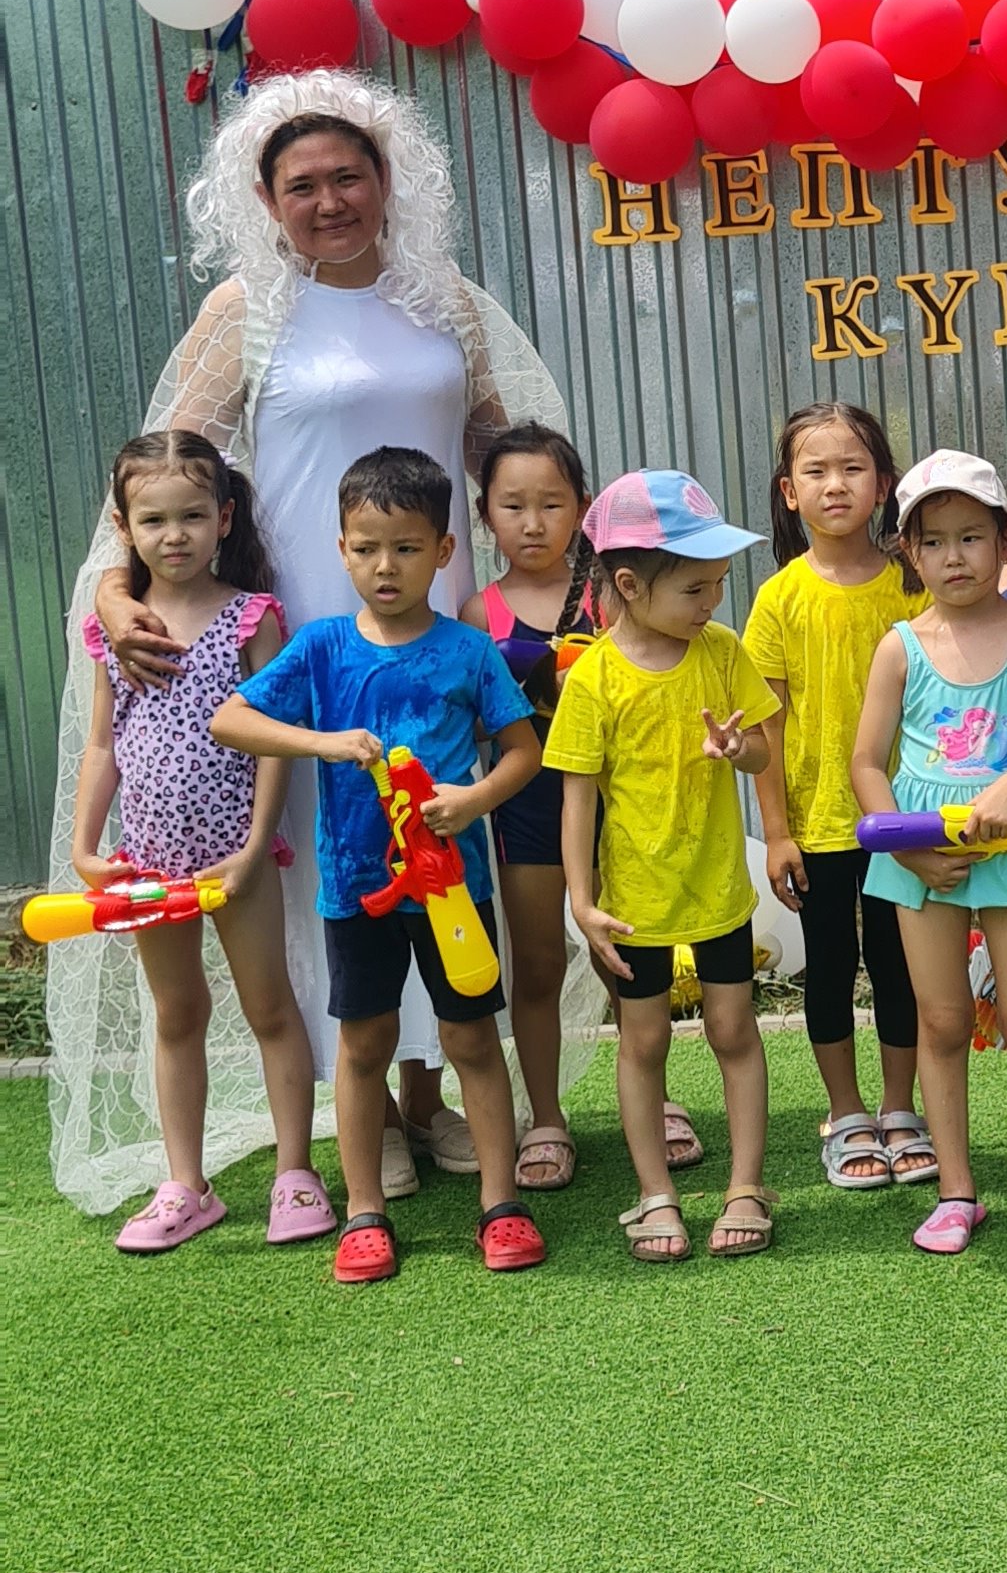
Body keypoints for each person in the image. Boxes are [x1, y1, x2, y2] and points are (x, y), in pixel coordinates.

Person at [54, 65, 582, 1220]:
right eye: (302, 185)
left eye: (349, 176)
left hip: (433, 623)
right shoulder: (244, 313)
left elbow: (500, 450)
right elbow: (165, 469)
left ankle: (429, 1093)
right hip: (304, 626)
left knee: (434, 835)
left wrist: (561, 569)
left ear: (389, 180)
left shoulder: (443, 299)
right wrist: (115, 588)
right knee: (332, 850)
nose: (329, 200)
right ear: (266, 199)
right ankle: (365, 1108)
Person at [213, 445, 543, 1285]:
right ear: (342, 550)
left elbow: (523, 752)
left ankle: (502, 1204)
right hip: (356, 886)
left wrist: (473, 800)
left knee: (472, 1038)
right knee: (364, 1043)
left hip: (455, 890)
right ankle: (365, 1212)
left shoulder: (469, 651)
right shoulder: (321, 648)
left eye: (405, 547)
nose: (384, 566)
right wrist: (322, 742)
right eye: (365, 548)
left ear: (443, 550)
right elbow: (232, 720)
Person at [71, 431, 326, 1256]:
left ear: (224, 519)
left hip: (237, 860)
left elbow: (274, 742)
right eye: (153, 520)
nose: (173, 535)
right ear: (124, 527)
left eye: (191, 516)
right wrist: (85, 848)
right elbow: (103, 744)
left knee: (269, 1006)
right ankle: (185, 1184)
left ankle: (296, 1172)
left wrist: (255, 848)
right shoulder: (116, 630)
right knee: (177, 1012)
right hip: (146, 861)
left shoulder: (252, 616)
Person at [852, 452, 1007, 1259]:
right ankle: (957, 1191)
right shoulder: (899, 648)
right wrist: (907, 848)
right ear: (909, 553)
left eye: (971, 537)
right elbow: (866, 764)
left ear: (1005, 542)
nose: (954, 557)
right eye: (934, 541)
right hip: (922, 859)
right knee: (943, 1021)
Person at [546, 469, 779, 1267]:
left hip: (718, 889)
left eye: (718, 583)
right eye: (694, 587)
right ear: (628, 585)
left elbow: (763, 753)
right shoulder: (592, 679)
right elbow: (577, 800)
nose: (712, 602)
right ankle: (654, 1193)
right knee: (642, 1041)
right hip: (633, 903)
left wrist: (739, 749)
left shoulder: (722, 653)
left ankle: (745, 1186)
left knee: (733, 1030)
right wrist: (582, 903)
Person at [747, 403, 929, 1194]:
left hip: (903, 820)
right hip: (818, 823)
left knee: (897, 965)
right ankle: (846, 1111)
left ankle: (900, 1108)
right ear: (789, 492)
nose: (835, 485)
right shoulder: (778, 599)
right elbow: (767, 725)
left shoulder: (913, 587)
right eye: (815, 472)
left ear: (884, 485)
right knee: (829, 966)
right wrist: (776, 833)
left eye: (853, 468)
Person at [471, 423, 606, 1196]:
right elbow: (470, 719)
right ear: (484, 513)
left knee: (627, 953)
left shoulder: (610, 594)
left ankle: (652, 1098)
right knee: (540, 962)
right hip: (524, 804)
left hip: (613, 801)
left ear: (582, 507)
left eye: (551, 504)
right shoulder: (476, 611)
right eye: (512, 505)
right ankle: (546, 1117)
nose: (532, 523)